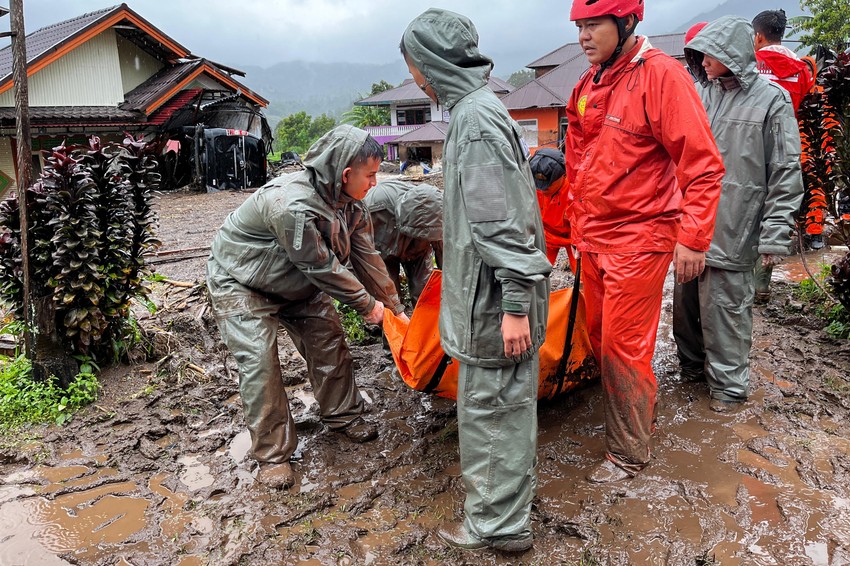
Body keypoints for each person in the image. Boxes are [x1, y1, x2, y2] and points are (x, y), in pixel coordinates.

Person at [401, 8, 551, 553]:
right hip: (489, 300)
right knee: (501, 409)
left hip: (493, 306)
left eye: (415, 66)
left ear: (431, 64)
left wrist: (514, 304)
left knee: (494, 413)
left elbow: (502, 224)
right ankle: (504, 509)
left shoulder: (474, 122)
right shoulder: (482, 111)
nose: (415, 78)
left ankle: (498, 526)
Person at [565, 0, 725, 482]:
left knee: (622, 346)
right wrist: (574, 231)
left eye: (593, 25)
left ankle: (628, 455)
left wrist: (694, 239)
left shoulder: (662, 77)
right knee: (598, 338)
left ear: (627, 22)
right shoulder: (588, 83)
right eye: (580, 26)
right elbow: (577, 164)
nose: (584, 36)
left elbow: (702, 165)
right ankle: (638, 416)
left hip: (641, 237)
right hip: (594, 238)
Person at [206, 125, 407, 490]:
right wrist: (367, 307)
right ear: (346, 174)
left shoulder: (351, 204)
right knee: (261, 365)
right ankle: (273, 455)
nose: (375, 183)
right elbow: (321, 267)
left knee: (328, 341)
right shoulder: (291, 205)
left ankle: (344, 415)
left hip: (298, 282)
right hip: (242, 282)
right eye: (372, 175)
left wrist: (394, 308)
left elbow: (367, 257)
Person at [675, 16, 804, 412]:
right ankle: (692, 378)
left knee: (726, 317)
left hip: (737, 228)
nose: (703, 60)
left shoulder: (772, 100)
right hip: (693, 228)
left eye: (711, 53)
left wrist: (775, 232)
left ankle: (727, 395)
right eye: (700, 54)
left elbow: (786, 168)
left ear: (732, 53)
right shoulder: (700, 93)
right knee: (686, 315)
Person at [751, 8, 817, 303]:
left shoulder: (750, 64)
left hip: (751, 146)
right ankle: (762, 285)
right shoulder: (803, 69)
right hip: (788, 148)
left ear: (759, 36)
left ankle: (743, 284)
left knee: (748, 213)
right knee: (777, 211)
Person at [363, 179, 443, 309]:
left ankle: (424, 323)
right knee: (388, 297)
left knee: (424, 291)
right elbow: (361, 249)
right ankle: (388, 325)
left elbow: (442, 250)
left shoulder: (436, 211)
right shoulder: (373, 205)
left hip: (418, 253)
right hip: (382, 252)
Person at [529, 148, 576, 271]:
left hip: (573, 237)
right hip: (546, 235)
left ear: (564, 175)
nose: (543, 189)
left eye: (548, 185)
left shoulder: (575, 189)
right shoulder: (531, 187)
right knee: (537, 272)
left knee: (583, 275)